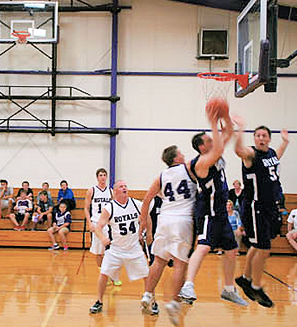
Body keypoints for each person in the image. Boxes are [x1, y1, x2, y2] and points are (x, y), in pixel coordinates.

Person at [180, 114, 247, 307]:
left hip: (220, 213)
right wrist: (213, 121)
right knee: (203, 246)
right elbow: (220, 145)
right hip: (208, 212)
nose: (212, 139)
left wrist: (231, 122)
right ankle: (188, 285)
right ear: (202, 147)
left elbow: (226, 135)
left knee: (232, 250)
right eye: (208, 139)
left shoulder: (214, 153)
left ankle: (228, 289)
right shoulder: (201, 162)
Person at [233, 118, 289, 308]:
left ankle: (245, 278)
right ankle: (256, 286)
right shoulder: (251, 154)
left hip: (269, 206)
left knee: (256, 246)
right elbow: (238, 150)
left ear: (269, 139)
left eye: (264, 135)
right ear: (254, 139)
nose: (260, 138)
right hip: (255, 206)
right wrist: (240, 130)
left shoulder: (271, 153)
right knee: (264, 248)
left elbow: (277, 156)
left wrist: (285, 142)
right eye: (257, 135)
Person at [139, 145, 198, 323]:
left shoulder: (161, 176)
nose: (183, 154)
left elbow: (147, 200)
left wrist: (143, 221)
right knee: (180, 263)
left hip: (164, 219)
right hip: (183, 220)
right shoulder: (188, 168)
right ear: (176, 158)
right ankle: (174, 301)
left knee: (159, 260)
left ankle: (147, 295)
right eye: (180, 152)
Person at [90, 180, 148, 314]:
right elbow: (98, 227)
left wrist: (145, 233)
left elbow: (146, 216)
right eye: (121, 186)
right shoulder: (109, 208)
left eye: (126, 186)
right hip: (115, 248)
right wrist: (103, 238)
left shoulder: (136, 203)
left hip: (134, 247)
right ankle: (98, 301)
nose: (124, 188)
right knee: (104, 274)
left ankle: (151, 300)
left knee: (147, 275)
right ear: (115, 191)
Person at [84, 168, 122, 286]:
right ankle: (104, 275)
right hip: (96, 224)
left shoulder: (110, 191)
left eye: (104, 175)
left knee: (111, 251)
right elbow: (86, 208)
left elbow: (115, 206)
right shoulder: (92, 190)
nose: (103, 177)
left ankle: (113, 276)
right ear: (97, 177)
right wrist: (89, 223)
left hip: (108, 224)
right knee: (99, 253)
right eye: (101, 175)